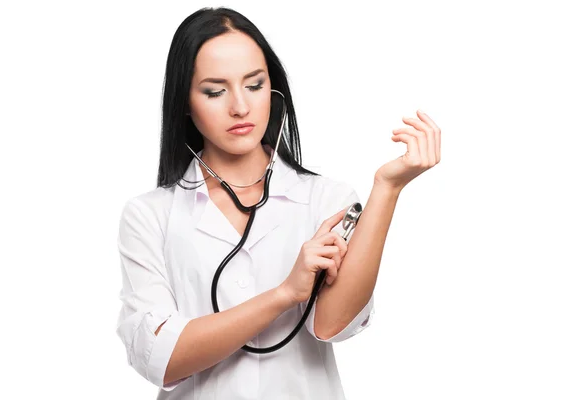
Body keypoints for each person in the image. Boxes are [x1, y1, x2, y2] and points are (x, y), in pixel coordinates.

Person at [115, 6, 441, 400]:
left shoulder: (327, 200)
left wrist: (387, 190)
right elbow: (162, 358)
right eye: (215, 91)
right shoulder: (150, 216)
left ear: (273, 88)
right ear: (185, 101)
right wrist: (285, 294)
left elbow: (332, 326)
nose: (239, 107)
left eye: (254, 85)